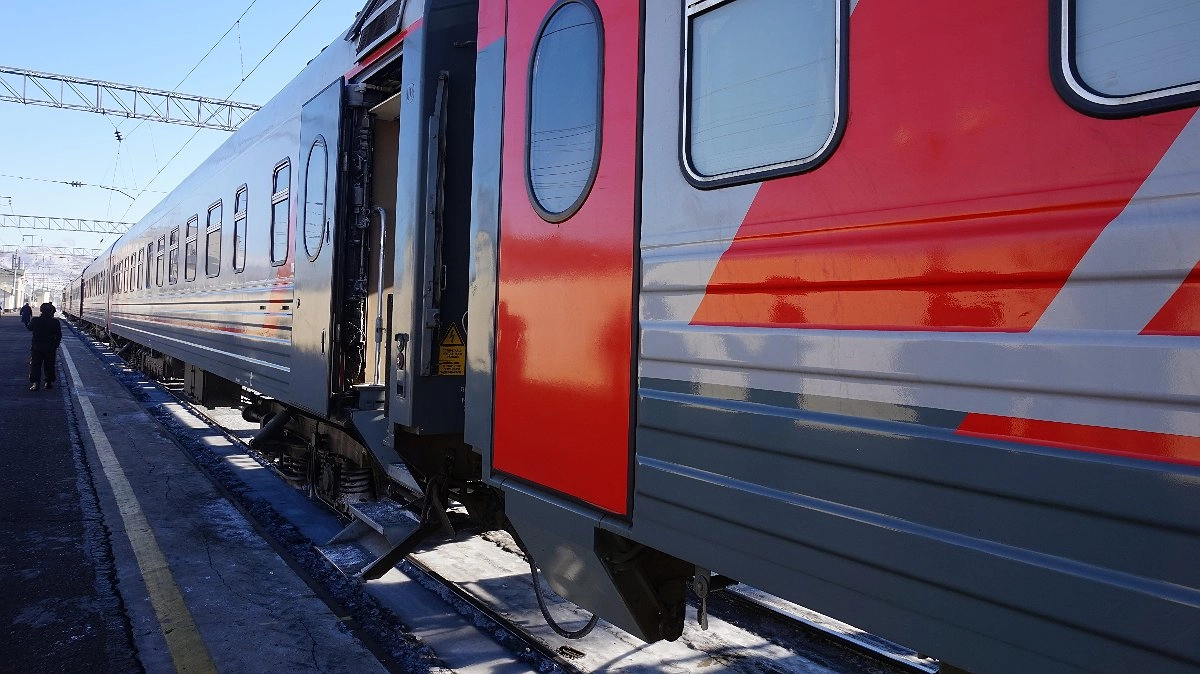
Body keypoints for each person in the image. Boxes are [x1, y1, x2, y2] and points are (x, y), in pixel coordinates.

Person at [28, 302, 62, 391]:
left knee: (35, 365)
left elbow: (29, 328)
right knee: (49, 365)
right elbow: (59, 335)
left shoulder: (36, 320)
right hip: (50, 347)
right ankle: (48, 383)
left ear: (41, 310)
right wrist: (56, 345)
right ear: (51, 311)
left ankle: (36, 384)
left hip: (37, 347)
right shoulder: (55, 322)